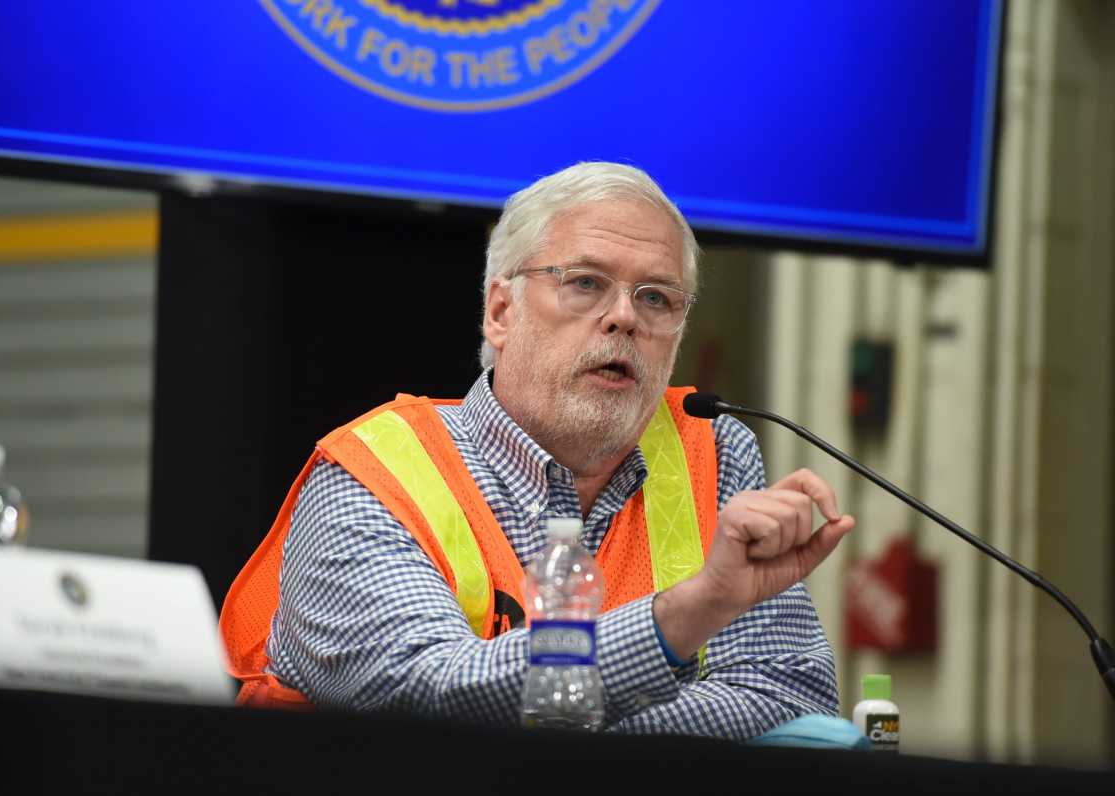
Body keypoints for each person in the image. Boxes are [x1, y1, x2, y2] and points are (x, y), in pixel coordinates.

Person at [221, 161, 855, 737]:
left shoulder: (712, 454)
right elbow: (423, 696)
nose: (624, 318)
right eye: (585, 283)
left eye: (656, 297)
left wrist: (559, 724)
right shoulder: (374, 472)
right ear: (501, 311)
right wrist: (686, 617)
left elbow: (789, 698)